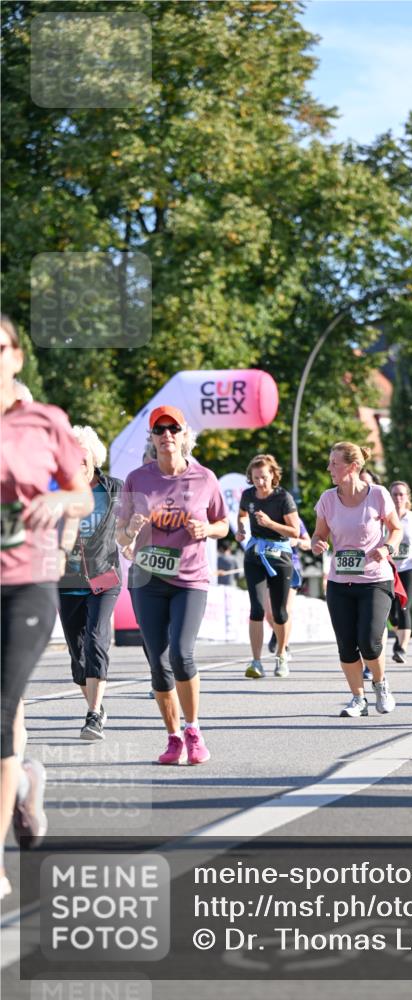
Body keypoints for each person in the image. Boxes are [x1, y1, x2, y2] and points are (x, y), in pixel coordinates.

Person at [1, 315, 93, 900]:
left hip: (25, 582)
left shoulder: (43, 420)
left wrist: (57, 502)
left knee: (0, 706)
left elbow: (82, 492)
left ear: (15, 356)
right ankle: (26, 783)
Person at [116, 405, 229, 765]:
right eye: (159, 429)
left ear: (184, 436)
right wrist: (130, 531)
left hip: (190, 579)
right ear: (151, 437)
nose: (166, 435)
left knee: (181, 654)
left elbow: (223, 524)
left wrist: (207, 530)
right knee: (158, 664)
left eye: (173, 429)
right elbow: (120, 536)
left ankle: (194, 730)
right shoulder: (137, 479)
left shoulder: (205, 479)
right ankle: (173, 737)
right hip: (146, 580)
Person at [312, 442, 402, 717]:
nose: (329, 468)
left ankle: (380, 684)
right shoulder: (327, 499)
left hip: (375, 579)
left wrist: (387, 548)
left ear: (352, 467)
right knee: (346, 643)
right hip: (340, 582)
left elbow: (395, 529)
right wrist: (317, 544)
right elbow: (319, 534)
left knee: (370, 641)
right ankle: (357, 698)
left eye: (334, 464)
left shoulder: (378, 495)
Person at [59, 426, 124, 740]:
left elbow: (130, 524)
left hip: (104, 577)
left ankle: (94, 714)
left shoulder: (114, 489)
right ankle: (95, 707)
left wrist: (136, 534)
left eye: (82, 459)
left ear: (93, 458)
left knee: (97, 639)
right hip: (66, 581)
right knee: (78, 655)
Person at [236, 454, 300, 679]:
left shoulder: (283, 498)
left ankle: (281, 655)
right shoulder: (248, 495)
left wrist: (271, 523)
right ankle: (256, 661)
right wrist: (242, 530)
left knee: (280, 613)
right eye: (255, 478)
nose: (260, 482)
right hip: (254, 554)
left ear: (273, 475)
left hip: (280, 555)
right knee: (256, 609)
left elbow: (295, 532)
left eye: (264, 477)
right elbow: (242, 515)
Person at [388, 481, 412, 664]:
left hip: (409, 567)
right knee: (391, 613)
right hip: (388, 567)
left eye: (401, 494)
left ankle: (401, 648)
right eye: (395, 494)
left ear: (407, 497)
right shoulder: (384, 517)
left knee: (404, 606)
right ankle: (399, 636)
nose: (398, 498)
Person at [266, 516, 311, 657]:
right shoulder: (264, 518)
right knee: (269, 614)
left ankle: (283, 648)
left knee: (286, 610)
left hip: (291, 567)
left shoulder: (294, 519)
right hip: (269, 566)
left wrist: (296, 541)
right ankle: (278, 632)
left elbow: (308, 543)